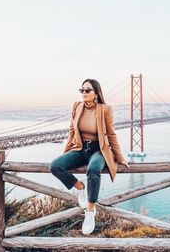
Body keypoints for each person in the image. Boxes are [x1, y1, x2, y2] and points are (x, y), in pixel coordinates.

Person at [50, 78, 130, 235]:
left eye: (87, 90)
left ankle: (90, 210)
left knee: (93, 169)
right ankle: (81, 187)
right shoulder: (77, 106)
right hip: (81, 148)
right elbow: (72, 132)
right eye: (82, 90)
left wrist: (120, 158)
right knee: (55, 166)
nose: (84, 93)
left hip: (98, 149)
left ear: (96, 93)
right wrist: (66, 153)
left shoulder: (105, 109)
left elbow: (111, 135)